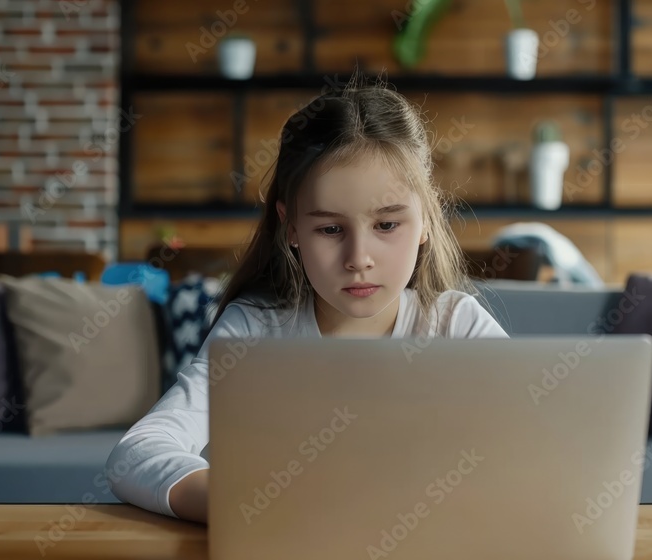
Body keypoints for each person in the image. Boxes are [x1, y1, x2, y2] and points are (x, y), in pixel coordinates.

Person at [104, 73, 509, 524]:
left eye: (387, 225)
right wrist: (243, 502)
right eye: (330, 229)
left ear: (427, 220)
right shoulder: (255, 330)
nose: (359, 259)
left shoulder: (457, 326)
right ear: (291, 226)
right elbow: (134, 455)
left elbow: (541, 446)